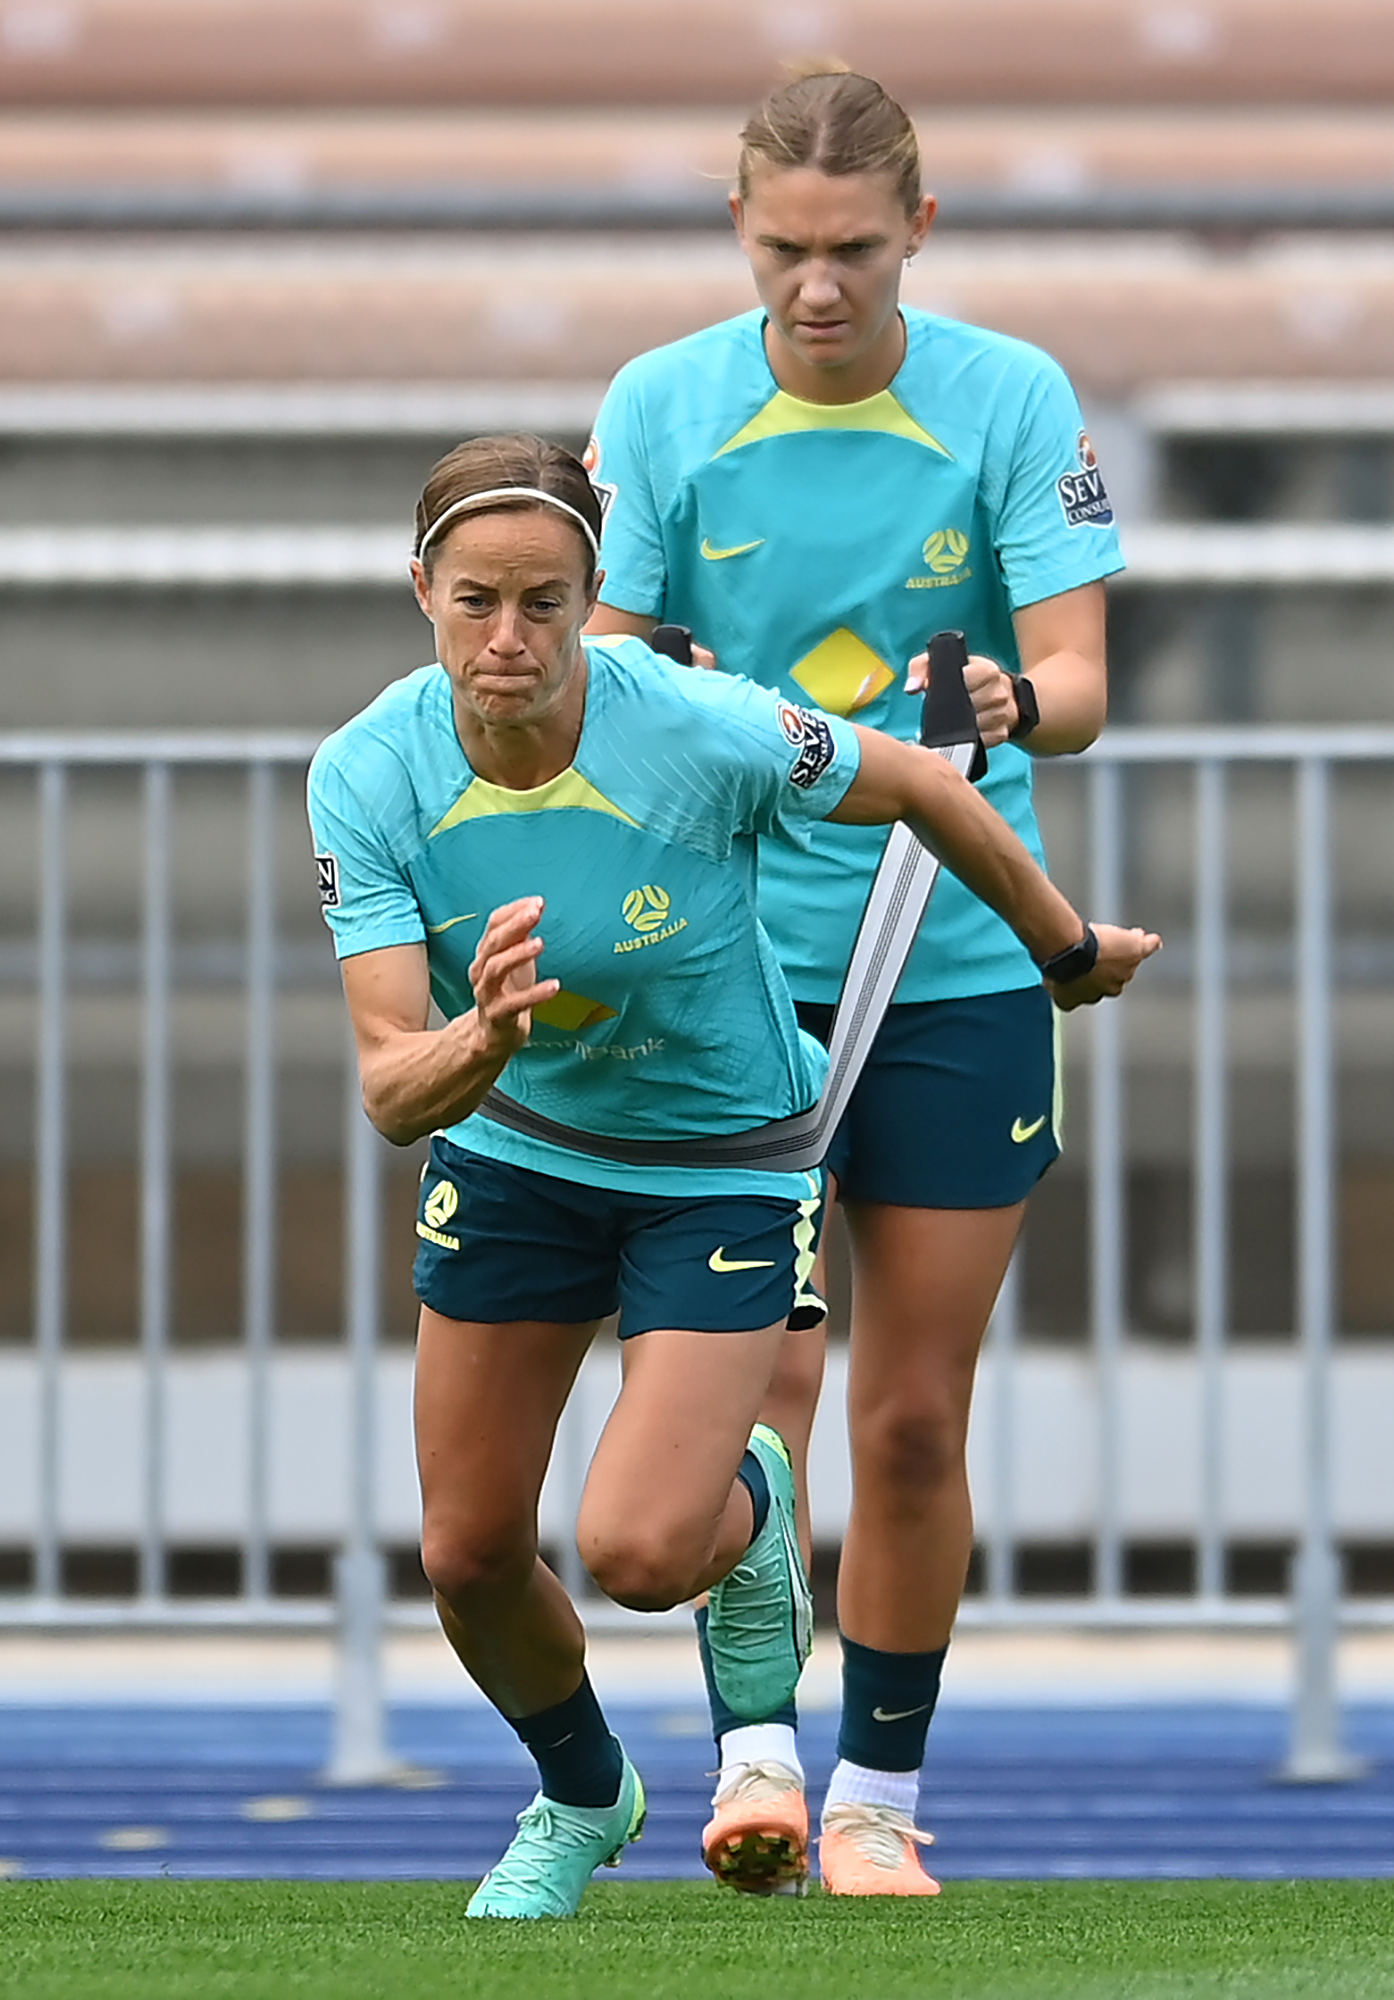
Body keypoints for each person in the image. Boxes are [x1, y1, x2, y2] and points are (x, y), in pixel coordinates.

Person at [307, 433, 1154, 1919]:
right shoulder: (368, 774)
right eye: (478, 601)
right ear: (421, 591)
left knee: (639, 1555)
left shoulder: (700, 725)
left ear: (590, 599)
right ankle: (582, 1795)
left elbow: (926, 790)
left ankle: (746, 1517)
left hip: (723, 1162)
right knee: (465, 1553)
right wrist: (485, 1039)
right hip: (515, 1154)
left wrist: (1062, 948)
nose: (510, 639)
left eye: (548, 603)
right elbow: (390, 1087)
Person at [584, 61, 1127, 1897]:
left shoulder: (1007, 395)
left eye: (856, 251)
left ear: (919, 233)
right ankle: (752, 1759)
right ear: (739, 228)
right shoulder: (661, 406)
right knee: (768, 1393)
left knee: (908, 1414)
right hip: (742, 972)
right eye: (787, 249)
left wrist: (1006, 707)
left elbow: (1079, 679)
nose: (819, 287)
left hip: (963, 958)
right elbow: (615, 678)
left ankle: (880, 1795)